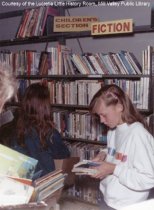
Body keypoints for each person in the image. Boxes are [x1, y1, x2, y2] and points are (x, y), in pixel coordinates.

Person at [89, 84, 154, 210]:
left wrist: (113, 169)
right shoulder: (113, 130)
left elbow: (149, 178)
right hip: (108, 198)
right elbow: (118, 151)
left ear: (119, 107)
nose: (101, 120)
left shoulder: (137, 134)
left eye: (104, 115)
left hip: (126, 205)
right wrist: (103, 154)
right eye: (99, 116)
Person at [11, 82, 70, 178]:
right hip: (46, 183)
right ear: (45, 107)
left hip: (26, 182)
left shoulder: (17, 131)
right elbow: (64, 155)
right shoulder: (50, 133)